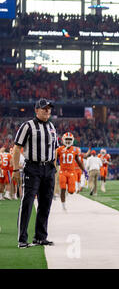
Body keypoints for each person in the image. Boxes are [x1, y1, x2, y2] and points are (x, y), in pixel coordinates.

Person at [13, 98, 59, 248]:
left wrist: (54, 166)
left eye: (49, 108)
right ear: (36, 110)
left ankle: (40, 237)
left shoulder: (52, 126)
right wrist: (15, 169)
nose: (47, 110)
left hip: (48, 169)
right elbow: (16, 148)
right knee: (27, 202)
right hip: (32, 168)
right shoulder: (27, 126)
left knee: (45, 203)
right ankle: (22, 238)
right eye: (44, 108)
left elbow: (55, 149)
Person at [55, 132, 87, 210]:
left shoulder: (75, 150)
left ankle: (68, 193)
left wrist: (85, 170)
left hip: (72, 172)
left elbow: (79, 162)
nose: (68, 141)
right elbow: (54, 160)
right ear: (63, 140)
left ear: (72, 140)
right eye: (67, 139)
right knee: (62, 188)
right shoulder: (59, 149)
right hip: (62, 171)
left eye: (69, 139)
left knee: (72, 191)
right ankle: (63, 205)